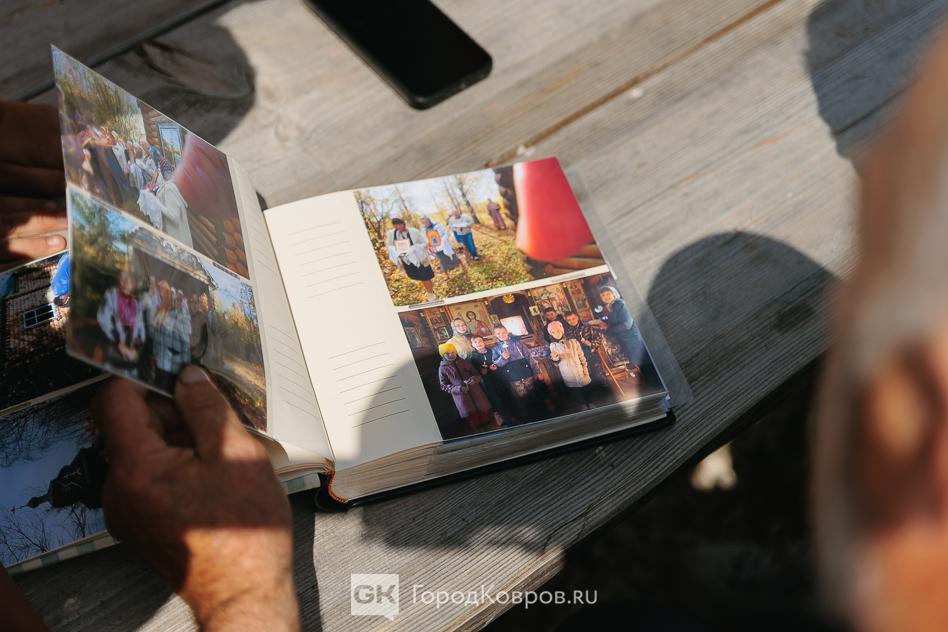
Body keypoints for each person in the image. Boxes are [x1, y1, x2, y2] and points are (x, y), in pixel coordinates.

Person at [492, 325, 547, 422]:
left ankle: (543, 414)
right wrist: (503, 358)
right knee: (523, 398)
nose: (501, 335)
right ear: (495, 335)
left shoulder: (517, 343)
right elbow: (496, 364)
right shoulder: (496, 349)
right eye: (498, 333)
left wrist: (537, 371)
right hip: (513, 378)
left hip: (527, 374)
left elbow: (529, 357)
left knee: (535, 394)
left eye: (503, 332)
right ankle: (531, 418)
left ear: (507, 332)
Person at [438, 342, 497, 432]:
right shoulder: (443, 368)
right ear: (443, 355)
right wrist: (459, 389)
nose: (451, 355)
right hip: (463, 398)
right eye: (448, 353)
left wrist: (474, 379)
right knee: (474, 423)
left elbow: (477, 374)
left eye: (453, 352)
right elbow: (444, 386)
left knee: (487, 420)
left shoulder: (464, 362)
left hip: (477, 395)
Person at [97, 268, 146, 376]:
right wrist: (118, 343)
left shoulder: (136, 303)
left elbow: (140, 329)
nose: (123, 282)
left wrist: (136, 348)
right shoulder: (111, 295)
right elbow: (103, 319)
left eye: (127, 279)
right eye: (121, 279)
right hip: (114, 357)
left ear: (133, 282)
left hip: (130, 360)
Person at [151, 281, 191, 392]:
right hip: (161, 365)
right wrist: (154, 354)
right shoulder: (168, 314)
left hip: (173, 369)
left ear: (182, 301)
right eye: (175, 299)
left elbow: (186, 348)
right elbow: (159, 336)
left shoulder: (185, 320)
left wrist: (179, 363)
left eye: (179, 299)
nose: (176, 301)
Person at [385, 217, 437, 302]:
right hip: (407, 260)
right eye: (396, 226)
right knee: (420, 277)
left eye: (399, 225)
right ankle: (430, 291)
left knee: (425, 277)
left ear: (403, 224)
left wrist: (415, 248)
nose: (398, 227)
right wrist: (396, 251)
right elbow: (389, 246)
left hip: (419, 258)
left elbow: (425, 243)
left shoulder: (414, 232)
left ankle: (431, 294)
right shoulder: (392, 234)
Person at [547, 320, 594, 409]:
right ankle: (583, 405)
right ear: (551, 334)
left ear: (562, 330)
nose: (556, 333)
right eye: (553, 332)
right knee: (576, 391)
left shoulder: (573, 342)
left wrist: (585, 367)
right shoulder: (553, 346)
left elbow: (581, 355)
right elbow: (556, 363)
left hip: (579, 369)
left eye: (558, 330)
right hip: (568, 372)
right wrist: (555, 357)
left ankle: (590, 402)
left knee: (586, 387)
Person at [470, 335, 511, 426]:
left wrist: (496, 365)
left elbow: (498, 361)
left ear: (483, 342)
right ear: (472, 345)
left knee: (505, 395)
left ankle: (512, 415)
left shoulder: (491, 351)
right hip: (487, 382)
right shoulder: (473, 357)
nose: (478, 343)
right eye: (475, 342)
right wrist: (483, 370)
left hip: (499, 377)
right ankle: (507, 420)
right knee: (496, 400)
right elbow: (474, 371)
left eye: (480, 341)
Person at [564, 311, 609, 383]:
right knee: (588, 378)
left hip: (591, 356)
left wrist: (591, 344)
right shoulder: (568, 332)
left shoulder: (587, 327)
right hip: (579, 359)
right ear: (566, 321)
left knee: (599, 376)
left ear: (577, 318)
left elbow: (599, 338)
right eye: (569, 320)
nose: (572, 321)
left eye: (573, 318)